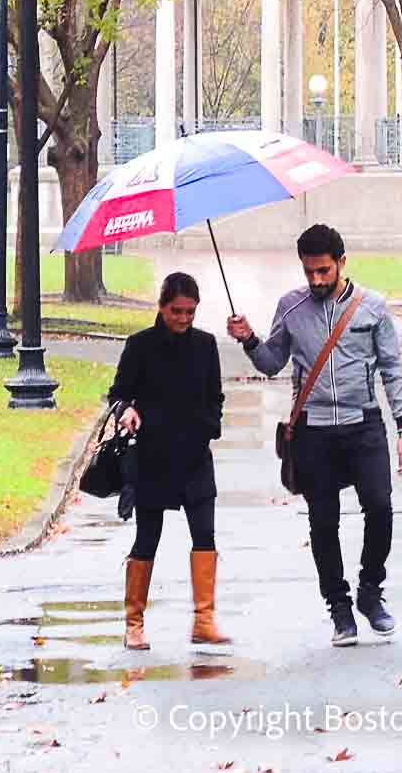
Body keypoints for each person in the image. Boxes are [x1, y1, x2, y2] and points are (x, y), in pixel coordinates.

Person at [226, 223, 402, 647]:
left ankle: (370, 592)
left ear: (342, 263)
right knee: (323, 521)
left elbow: (392, 369)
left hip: (363, 423)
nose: (315, 279)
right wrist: (249, 339)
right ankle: (339, 608)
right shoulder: (291, 307)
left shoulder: (372, 308)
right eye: (309, 271)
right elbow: (271, 362)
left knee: (379, 506)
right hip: (313, 430)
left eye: (324, 270)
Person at [109, 271, 229, 652]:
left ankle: (204, 620)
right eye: (177, 311)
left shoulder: (206, 345)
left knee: (205, 535)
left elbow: (215, 396)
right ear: (162, 307)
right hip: (153, 457)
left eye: (190, 311)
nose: (183, 318)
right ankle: (134, 622)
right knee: (148, 538)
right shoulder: (140, 346)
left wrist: (210, 425)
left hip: (195, 456)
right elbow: (118, 394)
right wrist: (126, 410)